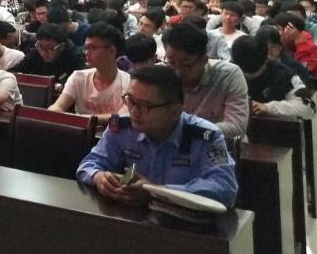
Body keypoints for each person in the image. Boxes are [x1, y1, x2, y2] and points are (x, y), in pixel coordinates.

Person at [76, 65, 238, 210]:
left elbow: (224, 188)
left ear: (174, 111)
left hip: (185, 226)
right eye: (130, 100)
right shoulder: (122, 127)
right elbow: (89, 165)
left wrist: (157, 191)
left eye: (144, 106)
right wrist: (98, 177)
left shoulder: (206, 136)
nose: (134, 111)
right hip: (131, 218)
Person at [162, 23, 249, 140]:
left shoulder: (228, 75)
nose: (177, 72)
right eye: (171, 62)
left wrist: (185, 131)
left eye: (186, 65)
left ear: (204, 60)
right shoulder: (160, 75)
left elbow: (236, 128)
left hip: (219, 146)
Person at [50, 23, 129, 116]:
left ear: (111, 50)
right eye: (85, 48)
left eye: (92, 48)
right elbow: (59, 106)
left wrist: (80, 119)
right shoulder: (78, 77)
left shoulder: (128, 83)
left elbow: (121, 117)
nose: (86, 52)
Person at [230, 35, 315, 119]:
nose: (249, 76)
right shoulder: (228, 71)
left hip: (273, 124)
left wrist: (269, 108)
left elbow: (309, 107)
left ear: (266, 60)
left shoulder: (285, 75)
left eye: (254, 74)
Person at [13, 23, 86, 82]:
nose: (43, 53)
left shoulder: (76, 59)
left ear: (61, 47)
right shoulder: (35, 53)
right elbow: (12, 72)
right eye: (41, 47)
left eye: (49, 49)